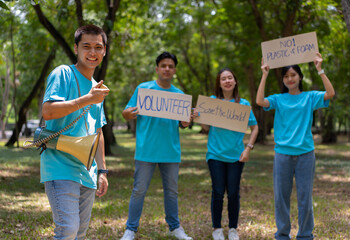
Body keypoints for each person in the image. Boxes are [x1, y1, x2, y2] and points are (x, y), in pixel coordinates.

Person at [256, 52, 335, 240]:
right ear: (283, 79)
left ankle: (305, 235)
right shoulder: (278, 99)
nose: (290, 79)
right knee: (281, 198)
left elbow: (330, 93)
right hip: (282, 154)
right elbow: (260, 101)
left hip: (306, 154)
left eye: (293, 75)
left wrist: (320, 69)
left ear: (300, 77)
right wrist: (265, 74)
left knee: (305, 198)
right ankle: (282, 235)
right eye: (286, 76)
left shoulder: (310, 97)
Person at [41, 24, 110, 239]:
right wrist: (88, 99)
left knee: (79, 233)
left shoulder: (96, 87)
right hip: (60, 166)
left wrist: (103, 171)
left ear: (104, 51)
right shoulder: (63, 73)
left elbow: (97, 131)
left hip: (87, 172)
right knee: (68, 230)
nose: (92, 52)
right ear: (76, 48)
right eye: (86, 46)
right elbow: (48, 111)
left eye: (98, 47)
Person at [120, 52, 193, 240]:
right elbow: (126, 112)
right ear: (157, 69)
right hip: (146, 150)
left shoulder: (180, 95)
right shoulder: (144, 89)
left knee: (171, 192)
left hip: (170, 151)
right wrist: (128, 114)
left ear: (174, 70)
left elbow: (184, 124)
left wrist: (188, 119)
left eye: (170, 66)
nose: (167, 69)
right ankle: (131, 229)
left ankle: (175, 227)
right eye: (163, 65)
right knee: (138, 191)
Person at [193, 68, 258, 240]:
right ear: (219, 83)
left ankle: (233, 229)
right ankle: (217, 229)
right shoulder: (211, 103)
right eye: (223, 79)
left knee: (234, 193)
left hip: (237, 156)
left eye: (230, 78)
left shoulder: (243, 104)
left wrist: (248, 148)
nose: (227, 81)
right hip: (215, 155)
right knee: (218, 192)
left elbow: (255, 127)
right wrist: (199, 118)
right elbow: (206, 128)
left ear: (235, 81)